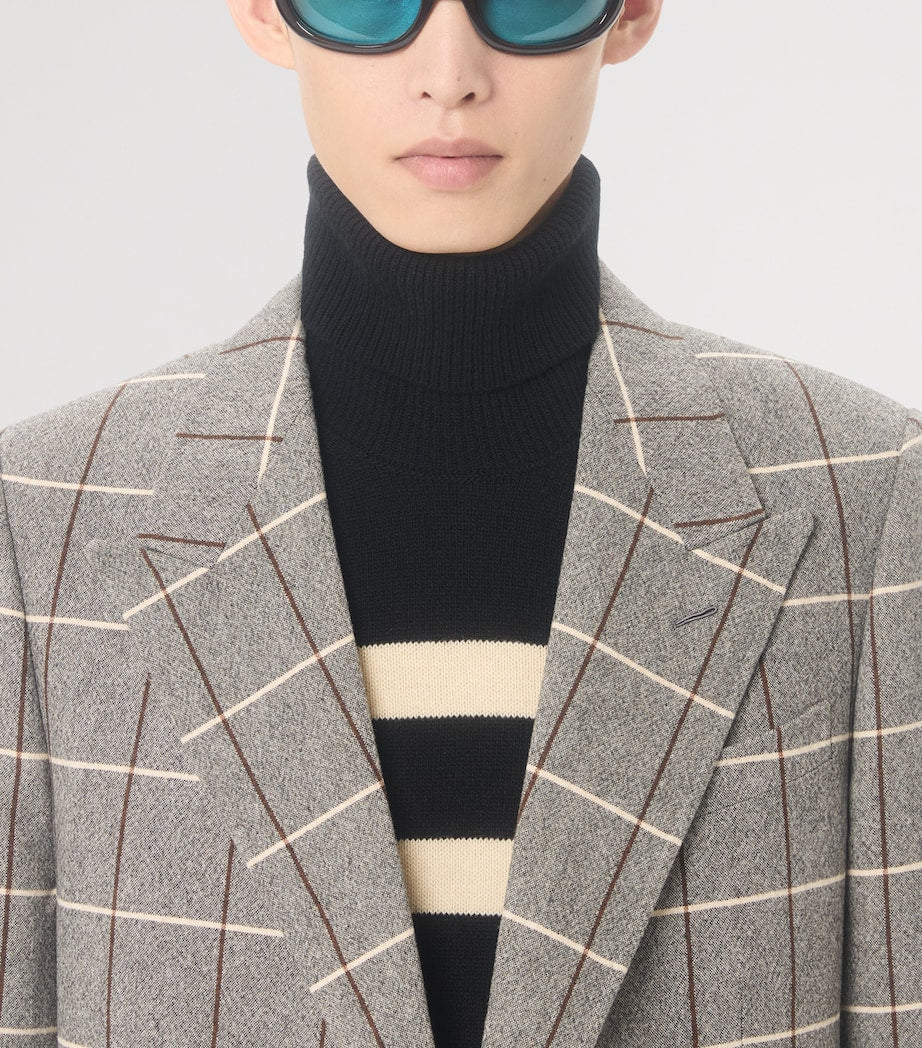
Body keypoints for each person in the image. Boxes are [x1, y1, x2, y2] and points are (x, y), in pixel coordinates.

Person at [0, 1, 918, 1046]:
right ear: (265, 12)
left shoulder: (860, 496)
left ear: (630, 13)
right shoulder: (45, 521)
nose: (450, 73)